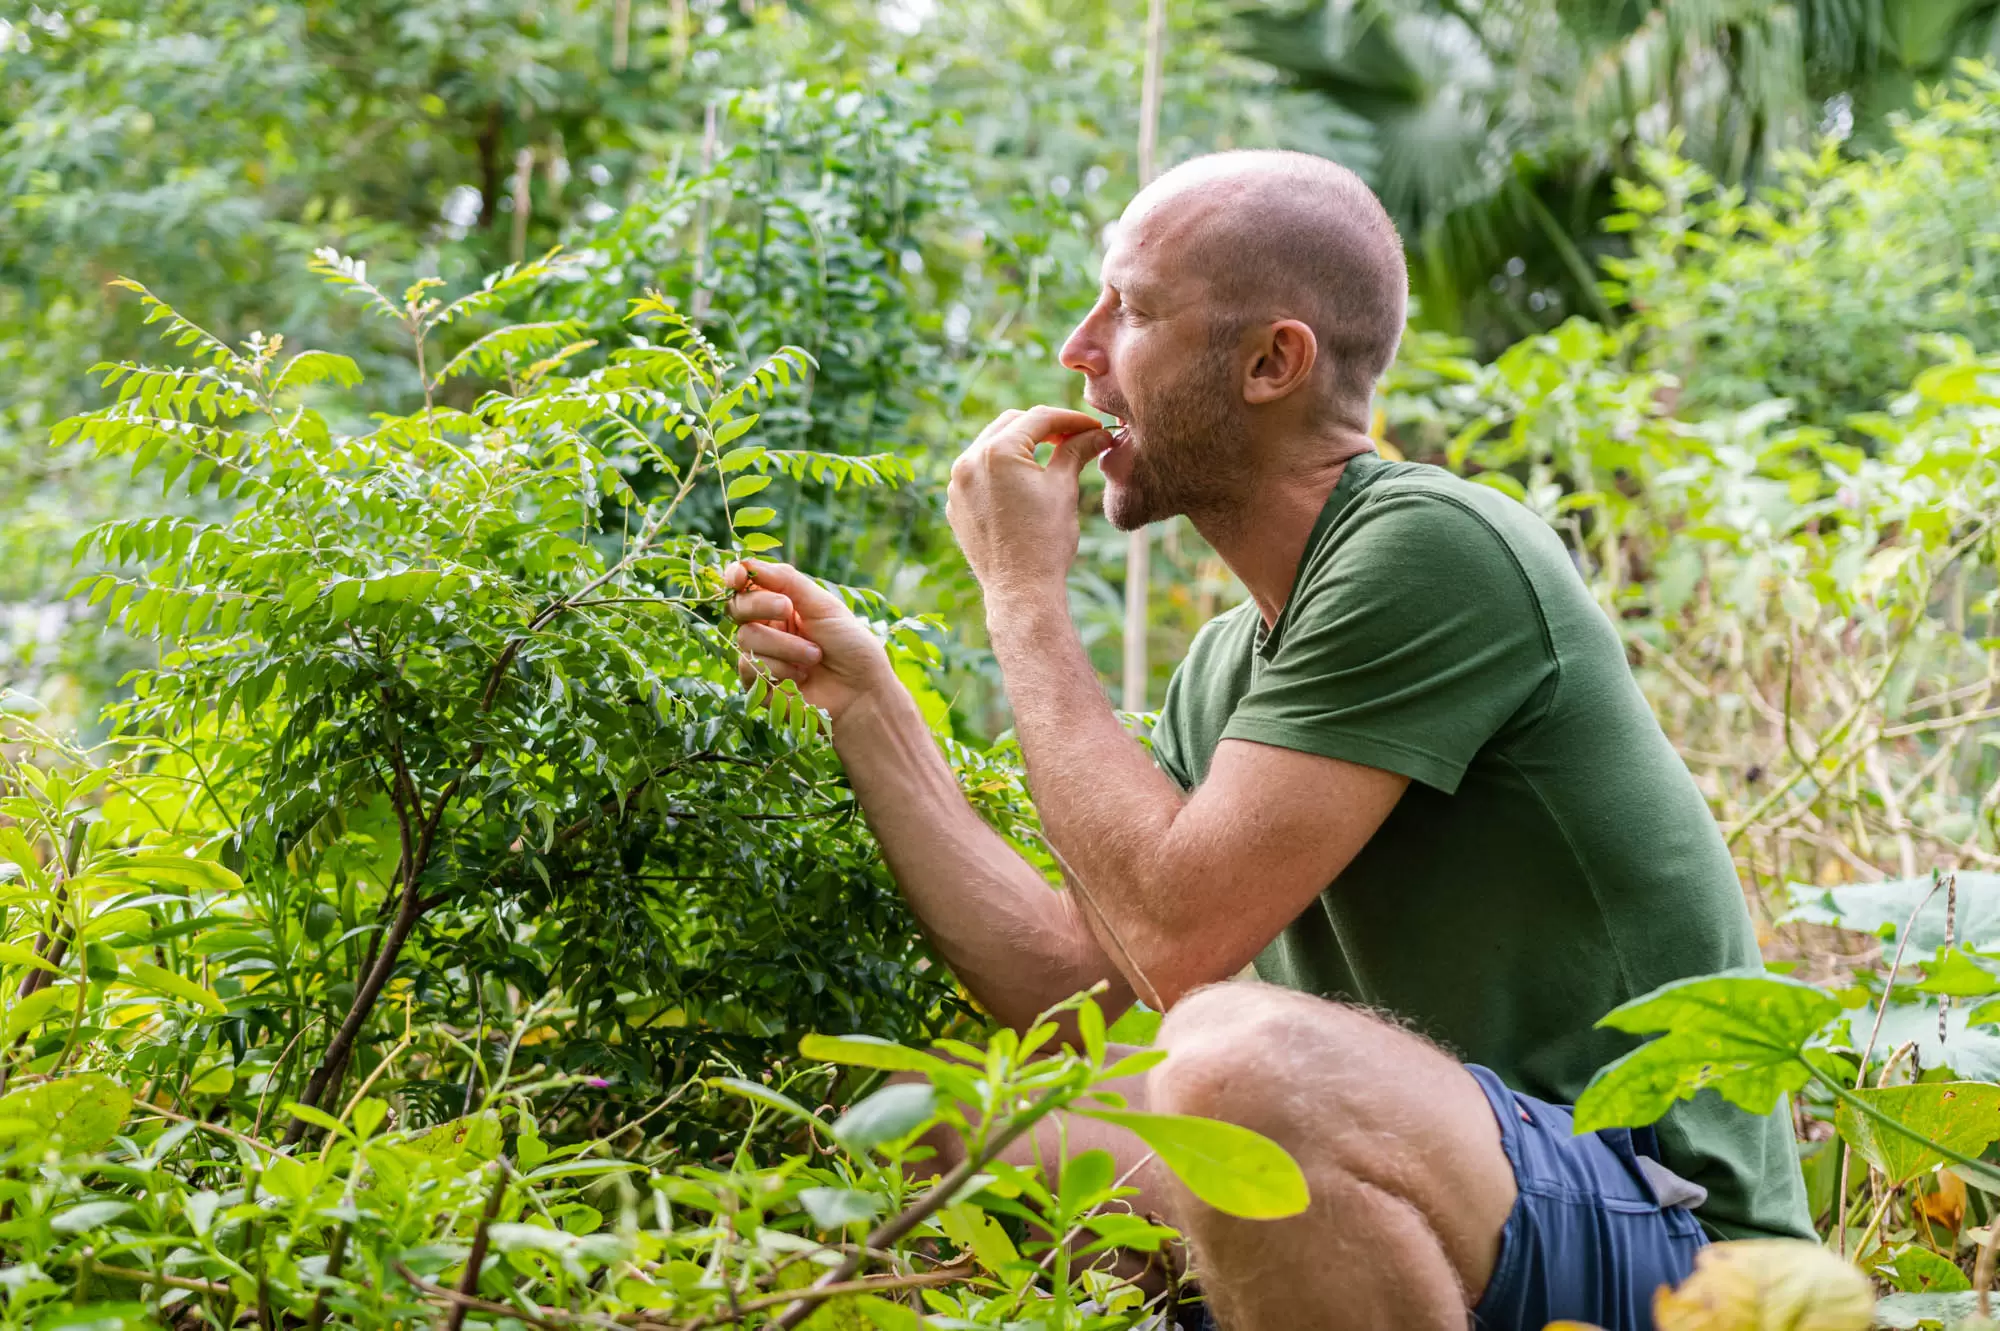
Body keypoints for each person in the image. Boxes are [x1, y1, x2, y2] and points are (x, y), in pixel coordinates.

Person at [722, 150, 1812, 1331]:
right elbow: (1087, 980)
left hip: (1680, 1243)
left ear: (1270, 362)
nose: (1078, 350)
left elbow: (1177, 938)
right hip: (1471, 1200)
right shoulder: (1231, 666)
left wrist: (1024, 599)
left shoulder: (1433, 547)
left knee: (1235, 1067)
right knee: (937, 1114)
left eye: (1129, 310)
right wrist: (869, 708)